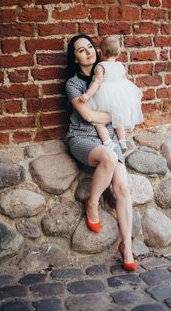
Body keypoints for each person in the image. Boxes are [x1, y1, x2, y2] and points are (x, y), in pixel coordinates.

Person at [65, 33, 137, 271]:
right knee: (108, 156)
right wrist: (116, 114)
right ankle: (92, 203)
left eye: (90, 47)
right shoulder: (74, 84)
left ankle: (126, 246)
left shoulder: (109, 74)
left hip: (111, 138)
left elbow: (124, 104)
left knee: (123, 188)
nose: (88, 52)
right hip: (82, 137)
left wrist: (117, 116)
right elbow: (88, 116)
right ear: (75, 59)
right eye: (80, 50)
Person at [78, 36, 143, 152]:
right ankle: (122, 142)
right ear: (118, 53)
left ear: (101, 53)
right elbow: (123, 80)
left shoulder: (101, 66)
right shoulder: (120, 65)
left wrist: (87, 95)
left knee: (98, 122)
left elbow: (97, 82)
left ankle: (107, 142)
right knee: (119, 120)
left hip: (104, 97)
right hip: (119, 97)